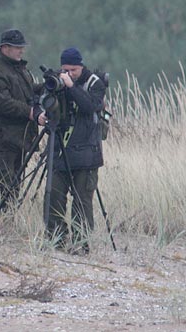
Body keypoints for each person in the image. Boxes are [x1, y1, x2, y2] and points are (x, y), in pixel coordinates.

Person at [44, 47, 106, 254]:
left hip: (87, 152)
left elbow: (90, 107)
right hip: (61, 150)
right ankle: (56, 240)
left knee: (82, 201)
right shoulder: (59, 80)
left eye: (73, 70)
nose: (69, 74)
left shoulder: (95, 83)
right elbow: (45, 102)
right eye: (65, 70)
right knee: (54, 196)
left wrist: (71, 87)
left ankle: (81, 244)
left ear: (81, 66)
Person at [0, 29, 42, 213]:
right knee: (0, 182)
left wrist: (46, 87)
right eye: (17, 47)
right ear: (4, 48)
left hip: (19, 137)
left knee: (15, 184)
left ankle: (7, 221)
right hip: (2, 138)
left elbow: (28, 92)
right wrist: (31, 112)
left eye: (22, 47)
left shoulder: (19, 69)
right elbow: (2, 103)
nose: (21, 51)